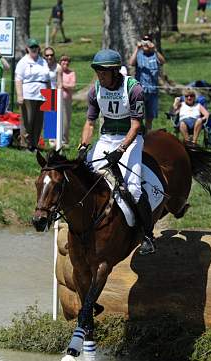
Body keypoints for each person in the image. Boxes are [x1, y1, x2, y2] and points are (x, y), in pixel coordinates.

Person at [78, 49, 156, 255]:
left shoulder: (134, 88)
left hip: (130, 139)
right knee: (85, 179)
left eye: (103, 72)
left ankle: (148, 235)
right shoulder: (95, 90)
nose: (99, 76)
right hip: (106, 138)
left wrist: (121, 150)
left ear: (114, 71)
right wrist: (83, 146)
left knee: (133, 188)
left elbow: (136, 125)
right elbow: (89, 123)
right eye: (97, 72)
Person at [15, 38, 49, 151]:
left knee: (38, 121)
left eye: (35, 47)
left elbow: (48, 78)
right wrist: (20, 95)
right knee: (27, 121)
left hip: (42, 95)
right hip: (28, 94)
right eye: (31, 47)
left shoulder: (43, 61)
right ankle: (25, 144)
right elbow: (18, 79)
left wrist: (49, 94)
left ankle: (34, 144)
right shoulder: (23, 62)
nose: (34, 49)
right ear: (27, 49)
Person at [129, 34, 166, 132]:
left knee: (150, 117)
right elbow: (131, 63)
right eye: (144, 40)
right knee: (138, 115)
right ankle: (137, 134)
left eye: (148, 40)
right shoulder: (139, 54)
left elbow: (163, 61)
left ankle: (148, 135)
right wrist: (137, 48)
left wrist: (155, 50)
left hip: (153, 91)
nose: (146, 42)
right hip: (140, 91)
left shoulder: (155, 54)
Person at [60, 55, 76, 146]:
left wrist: (62, 84)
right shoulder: (57, 71)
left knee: (65, 120)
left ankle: (65, 140)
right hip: (54, 98)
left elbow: (72, 86)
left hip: (66, 100)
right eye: (63, 60)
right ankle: (52, 140)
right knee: (53, 118)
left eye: (67, 61)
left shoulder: (71, 73)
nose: (65, 62)